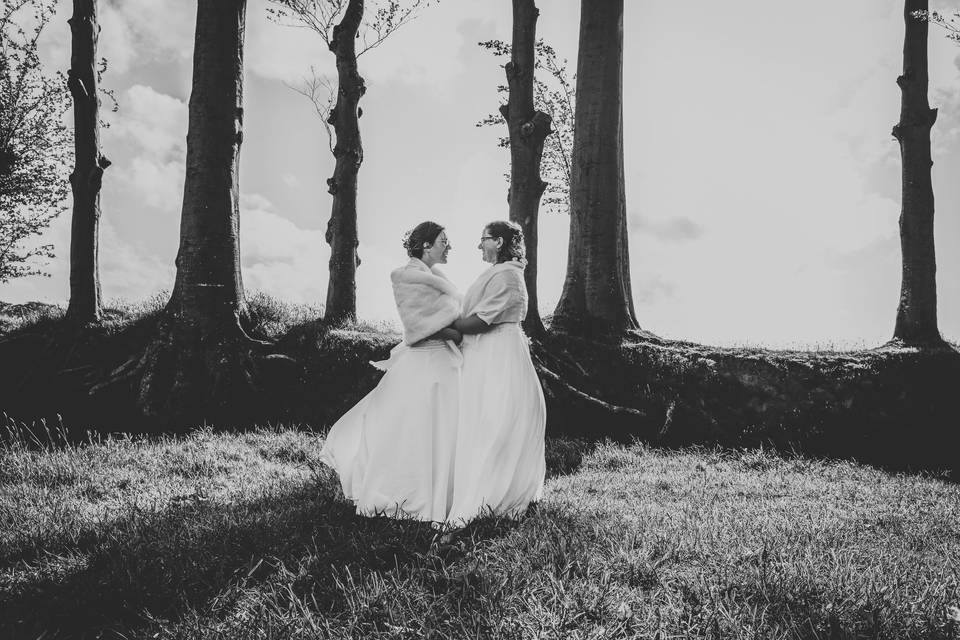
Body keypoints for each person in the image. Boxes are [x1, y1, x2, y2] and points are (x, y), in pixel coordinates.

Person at [319, 221, 463, 522]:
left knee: (445, 428)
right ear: (425, 245)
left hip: (445, 364)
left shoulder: (436, 276)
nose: (448, 246)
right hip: (425, 362)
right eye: (443, 241)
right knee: (415, 430)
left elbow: (446, 318)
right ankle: (409, 495)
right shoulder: (407, 277)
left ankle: (448, 494)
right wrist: (462, 332)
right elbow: (419, 326)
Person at [447, 220, 546, 524]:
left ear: (499, 242)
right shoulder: (503, 273)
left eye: (484, 239)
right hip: (490, 351)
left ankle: (494, 493)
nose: (479, 245)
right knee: (484, 417)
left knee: (495, 416)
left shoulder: (506, 276)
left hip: (497, 353)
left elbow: (482, 320)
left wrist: (443, 326)